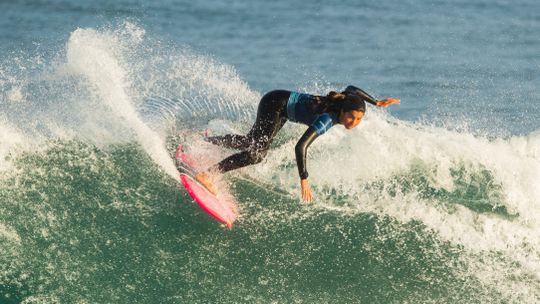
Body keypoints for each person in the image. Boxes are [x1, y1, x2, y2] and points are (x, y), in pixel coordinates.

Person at [196, 85, 400, 202]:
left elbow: (352, 89)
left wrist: (376, 103)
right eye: (350, 118)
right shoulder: (327, 119)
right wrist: (304, 178)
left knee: (252, 143)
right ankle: (208, 174)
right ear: (342, 112)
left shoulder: (345, 101)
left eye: (358, 120)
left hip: (279, 102)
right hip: (275, 104)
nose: (353, 123)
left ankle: (206, 140)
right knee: (256, 154)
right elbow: (300, 146)